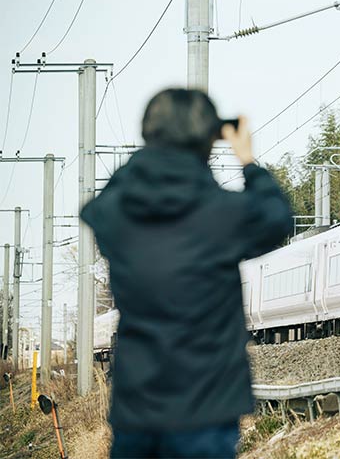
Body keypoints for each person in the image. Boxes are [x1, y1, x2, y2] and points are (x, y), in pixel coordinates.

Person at [81, 88, 293, 458]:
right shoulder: (219, 215)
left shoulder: (116, 215)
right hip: (207, 408)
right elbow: (277, 218)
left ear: (149, 137)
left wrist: (149, 156)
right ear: (208, 142)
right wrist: (247, 161)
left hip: (137, 407)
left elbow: (100, 203)